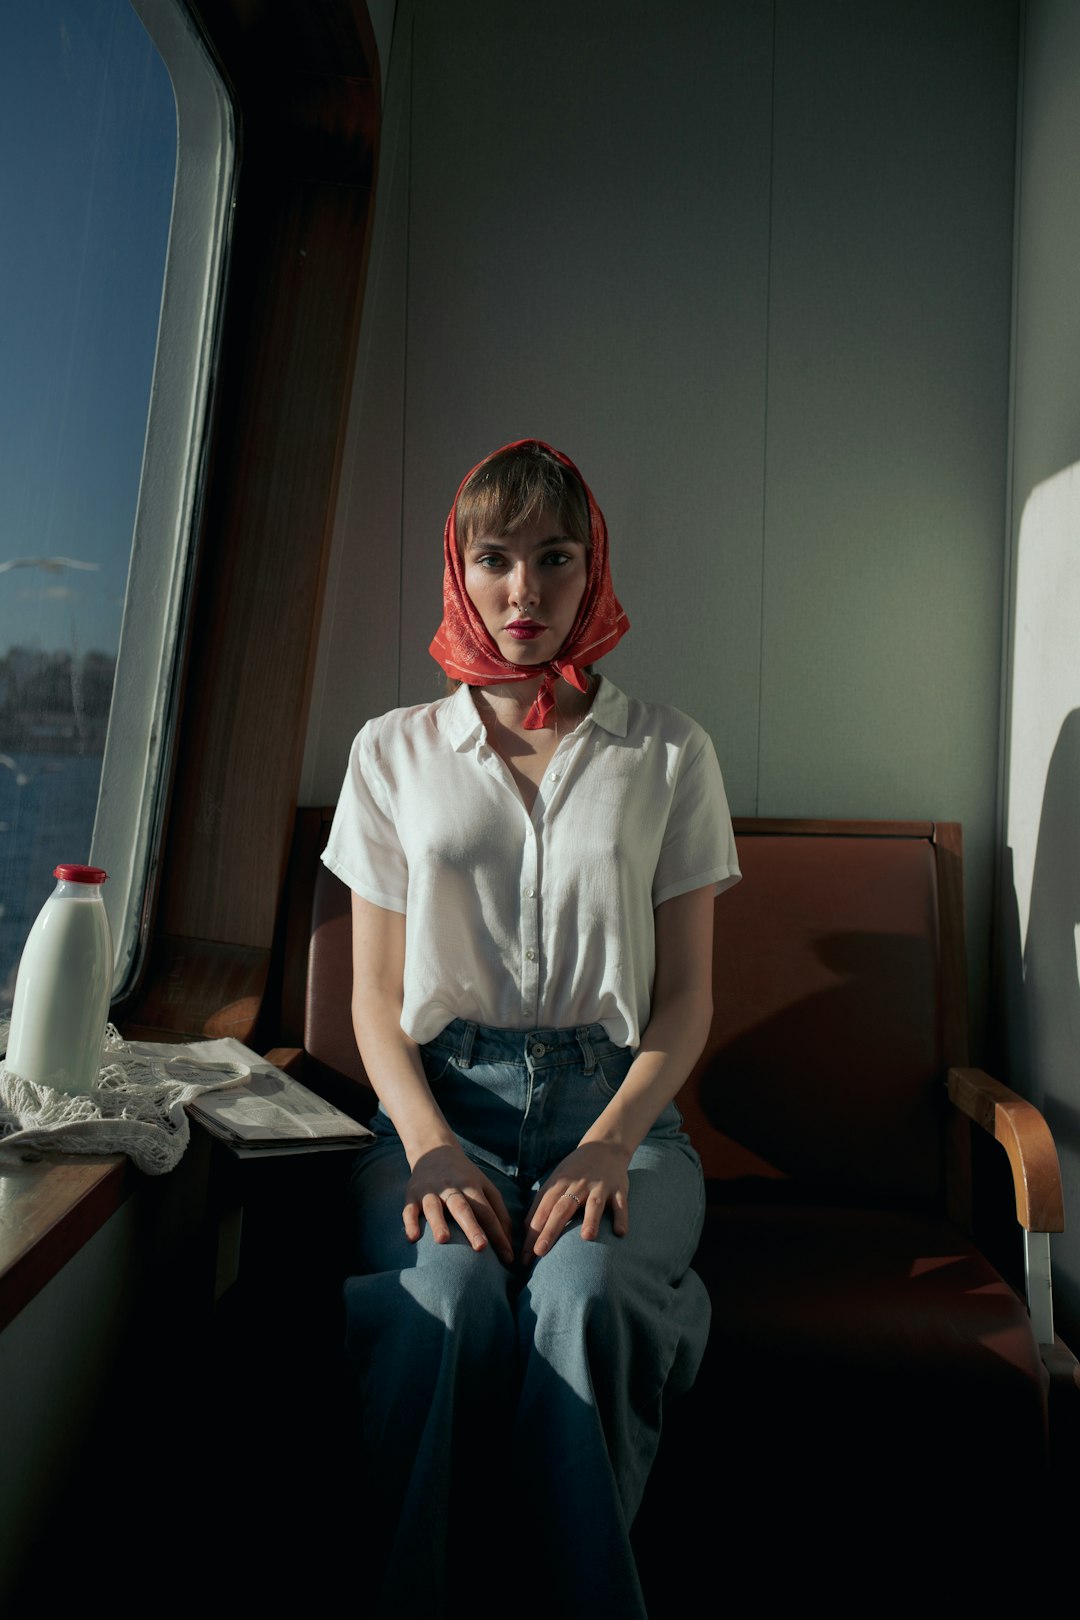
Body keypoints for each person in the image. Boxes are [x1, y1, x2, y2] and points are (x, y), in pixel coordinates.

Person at [322, 439, 740, 1617]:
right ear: (458, 569)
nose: (524, 594)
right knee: (444, 1307)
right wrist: (426, 1145)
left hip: (622, 1117)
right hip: (439, 1106)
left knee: (587, 1296)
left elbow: (687, 998)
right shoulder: (392, 750)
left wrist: (609, 1142)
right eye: (494, 559)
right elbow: (371, 998)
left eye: (554, 560)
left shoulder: (670, 751)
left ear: (591, 568)